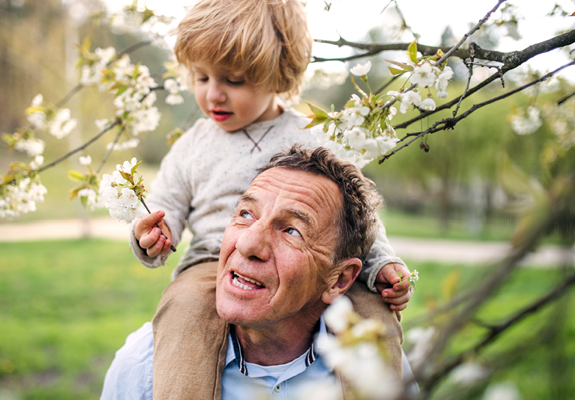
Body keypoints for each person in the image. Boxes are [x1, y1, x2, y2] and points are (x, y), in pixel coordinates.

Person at [130, 0, 414, 398]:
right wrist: (154, 233)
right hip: (214, 263)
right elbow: (166, 207)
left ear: (278, 76)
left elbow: (357, 214)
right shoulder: (192, 146)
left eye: (232, 80)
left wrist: (380, 262)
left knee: (373, 313)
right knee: (184, 312)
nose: (213, 94)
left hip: (311, 266)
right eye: (201, 77)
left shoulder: (312, 135)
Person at [105, 145, 417, 399]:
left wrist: (385, 264)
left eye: (292, 231)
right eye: (244, 214)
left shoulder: (379, 368)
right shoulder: (145, 366)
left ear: (340, 280)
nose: (247, 243)